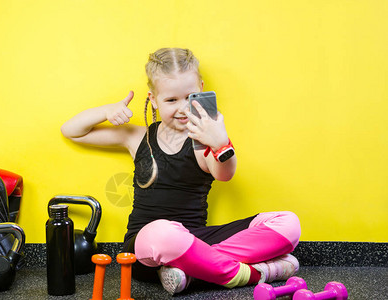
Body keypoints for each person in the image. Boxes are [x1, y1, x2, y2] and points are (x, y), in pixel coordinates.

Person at [61, 47, 301, 295]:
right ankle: (250, 273)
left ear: (202, 89)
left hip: (194, 241)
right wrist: (106, 111)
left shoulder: (204, 140)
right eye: (171, 100)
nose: (183, 107)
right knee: (163, 232)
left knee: (289, 224)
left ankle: (192, 271)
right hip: (146, 249)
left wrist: (220, 144)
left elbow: (224, 174)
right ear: (153, 99)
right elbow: (72, 130)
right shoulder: (138, 137)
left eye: (190, 96)